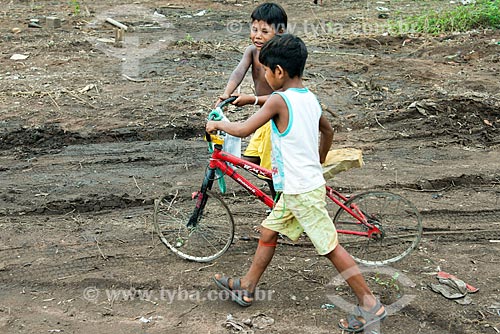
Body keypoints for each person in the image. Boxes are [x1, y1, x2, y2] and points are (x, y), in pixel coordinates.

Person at [207, 34, 387, 333]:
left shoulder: (279, 100)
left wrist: (218, 124)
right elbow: (328, 131)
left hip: (300, 190)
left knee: (330, 247)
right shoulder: (309, 98)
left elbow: (241, 130)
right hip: (297, 186)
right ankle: (247, 287)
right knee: (268, 231)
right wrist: (317, 161)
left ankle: (370, 304)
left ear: (278, 71)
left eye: (265, 70)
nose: (263, 75)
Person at [215, 2, 288, 199]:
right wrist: (227, 93)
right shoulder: (252, 51)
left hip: (276, 117)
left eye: (264, 31)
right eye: (254, 29)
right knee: (250, 162)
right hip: (264, 117)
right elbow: (239, 72)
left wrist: (252, 99)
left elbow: (283, 97)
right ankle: (279, 206)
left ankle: (279, 209)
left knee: (270, 173)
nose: (257, 35)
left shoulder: (280, 58)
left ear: (280, 32)